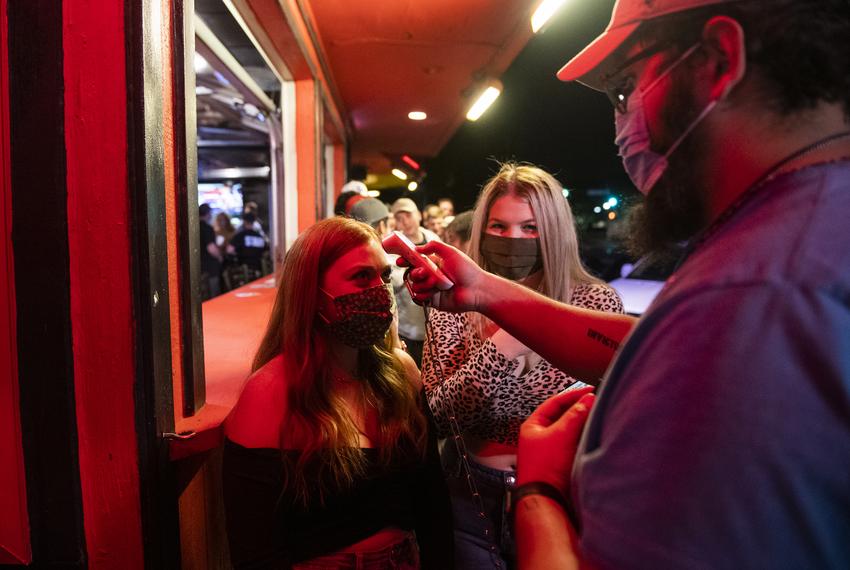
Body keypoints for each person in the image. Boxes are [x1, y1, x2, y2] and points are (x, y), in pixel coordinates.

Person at [405, 0, 850, 568]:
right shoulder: (812, 228)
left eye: (624, 89)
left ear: (717, 58)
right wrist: (487, 292)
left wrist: (540, 495)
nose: (621, 125)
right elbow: (652, 348)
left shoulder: (752, 291)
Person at [421, 163, 623, 569]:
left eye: (530, 228)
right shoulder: (452, 302)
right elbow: (443, 416)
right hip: (470, 497)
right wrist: (505, 340)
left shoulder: (595, 304)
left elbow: (611, 411)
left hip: (563, 494)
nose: (513, 239)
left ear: (554, 232)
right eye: (499, 227)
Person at [222, 217, 453, 569]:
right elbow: (256, 549)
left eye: (384, 276)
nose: (380, 290)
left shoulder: (401, 372)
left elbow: (431, 502)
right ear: (310, 292)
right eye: (362, 276)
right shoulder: (269, 392)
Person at [389, 198, 441, 366]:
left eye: (408, 215)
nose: (405, 221)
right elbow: (391, 283)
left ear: (419, 215)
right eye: (399, 217)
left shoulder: (433, 239)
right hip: (406, 329)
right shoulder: (392, 246)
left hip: (434, 328)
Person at [198, 203, 222, 299]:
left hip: (198, 267)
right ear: (208, 214)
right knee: (213, 294)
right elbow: (211, 248)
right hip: (210, 267)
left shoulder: (192, 227)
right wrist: (220, 256)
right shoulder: (208, 229)